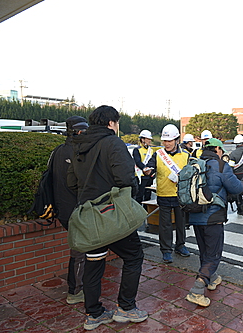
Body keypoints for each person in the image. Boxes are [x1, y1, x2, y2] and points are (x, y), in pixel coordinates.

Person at [68, 105, 147, 330]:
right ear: (112, 123)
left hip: (89, 217)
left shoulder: (78, 145)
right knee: (133, 257)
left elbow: (71, 183)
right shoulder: (113, 142)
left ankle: (94, 314)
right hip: (112, 214)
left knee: (94, 263)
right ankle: (126, 308)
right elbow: (125, 177)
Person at [185, 138, 243, 307]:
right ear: (217, 149)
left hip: (195, 215)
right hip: (213, 217)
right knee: (214, 254)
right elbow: (236, 188)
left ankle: (212, 278)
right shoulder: (221, 166)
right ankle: (196, 290)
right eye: (221, 150)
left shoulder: (195, 163)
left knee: (205, 251)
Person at [51, 116, 87, 305]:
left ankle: (79, 286)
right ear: (78, 131)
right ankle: (75, 291)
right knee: (79, 252)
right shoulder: (78, 152)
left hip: (62, 209)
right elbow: (79, 184)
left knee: (80, 250)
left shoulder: (57, 151)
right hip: (76, 211)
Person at [146, 124, 190, 264]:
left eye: (170, 140)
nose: (167, 143)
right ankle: (166, 250)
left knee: (181, 222)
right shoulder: (158, 154)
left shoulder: (185, 155)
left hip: (180, 195)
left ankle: (180, 245)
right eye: (165, 141)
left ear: (177, 140)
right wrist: (148, 171)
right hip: (164, 194)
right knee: (165, 225)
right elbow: (151, 168)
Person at [228, 134, 243, 217]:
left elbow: (231, 167)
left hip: (237, 175)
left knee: (238, 192)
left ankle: (239, 209)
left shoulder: (232, 154)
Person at [133, 130, 155, 204]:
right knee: (139, 196)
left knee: (148, 197)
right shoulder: (137, 150)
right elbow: (138, 162)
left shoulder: (151, 150)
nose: (149, 141)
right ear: (142, 139)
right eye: (148, 139)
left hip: (149, 176)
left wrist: (151, 171)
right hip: (140, 176)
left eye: (150, 139)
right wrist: (145, 169)